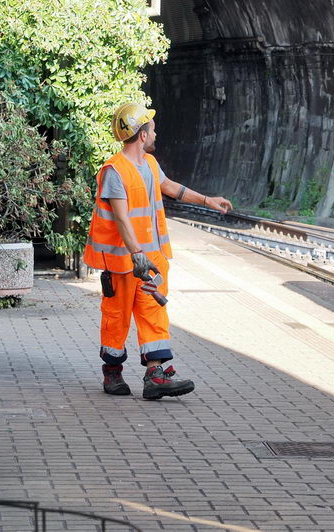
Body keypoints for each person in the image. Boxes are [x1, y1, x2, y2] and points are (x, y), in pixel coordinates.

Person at [83, 103, 232, 399]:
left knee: (154, 314)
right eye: (151, 127)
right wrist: (136, 253)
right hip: (123, 262)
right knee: (117, 317)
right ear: (141, 134)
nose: (156, 131)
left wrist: (206, 200)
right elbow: (122, 216)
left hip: (152, 259)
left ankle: (155, 375)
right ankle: (112, 374)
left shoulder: (150, 164)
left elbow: (169, 186)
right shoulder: (115, 170)